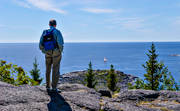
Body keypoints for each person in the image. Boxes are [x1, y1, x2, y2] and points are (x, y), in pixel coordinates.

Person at [39, 19, 64, 92]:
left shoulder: (45, 31)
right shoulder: (57, 32)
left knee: (48, 68)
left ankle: (47, 86)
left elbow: (40, 45)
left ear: (49, 25)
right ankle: (54, 88)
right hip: (56, 52)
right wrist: (60, 51)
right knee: (55, 69)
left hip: (47, 52)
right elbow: (60, 43)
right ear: (55, 25)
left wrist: (44, 51)